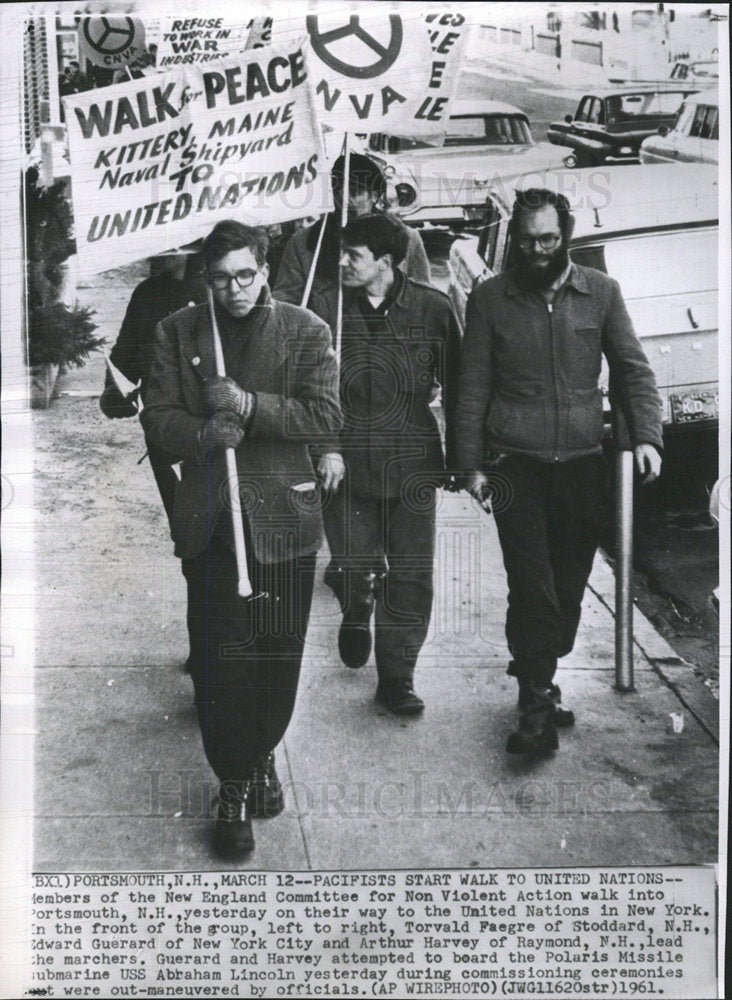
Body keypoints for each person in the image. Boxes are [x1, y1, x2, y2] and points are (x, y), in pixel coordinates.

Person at [140, 222, 341, 857]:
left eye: (246, 275)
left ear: (265, 270)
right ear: (207, 277)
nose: (234, 290)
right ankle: (233, 785)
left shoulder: (307, 330)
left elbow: (328, 416)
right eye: (221, 278)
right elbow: (158, 416)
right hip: (214, 527)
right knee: (223, 661)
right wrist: (204, 436)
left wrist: (252, 407)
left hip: (285, 524)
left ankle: (260, 754)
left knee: (277, 661)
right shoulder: (179, 331)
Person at [454, 187, 663, 755]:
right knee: (533, 588)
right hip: (513, 465)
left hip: (581, 467)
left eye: (548, 238)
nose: (539, 249)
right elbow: (471, 385)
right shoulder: (491, 299)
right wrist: (468, 464)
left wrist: (646, 437)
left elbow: (633, 370)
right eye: (527, 240)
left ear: (564, 235)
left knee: (567, 591)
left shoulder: (601, 294)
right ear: (515, 241)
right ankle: (535, 709)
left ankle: (540, 676)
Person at [308, 214, 460, 714]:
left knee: (412, 574)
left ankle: (397, 677)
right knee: (351, 562)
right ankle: (357, 605)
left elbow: (461, 386)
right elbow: (310, 386)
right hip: (344, 460)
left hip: (412, 460)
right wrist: (326, 444)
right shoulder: (324, 308)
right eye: (342, 251)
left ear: (387, 263)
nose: (343, 261)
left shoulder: (433, 309)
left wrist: (462, 457)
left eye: (355, 255)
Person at [99, 253, 205, 523]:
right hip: (163, 432)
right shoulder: (148, 292)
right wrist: (115, 391)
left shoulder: (219, 289)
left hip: (210, 431)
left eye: (167, 249)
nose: (155, 256)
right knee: (184, 527)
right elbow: (125, 352)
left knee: (223, 534)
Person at [273, 151, 430, 309]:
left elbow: (422, 299)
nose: (345, 200)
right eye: (338, 191)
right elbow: (284, 301)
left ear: (374, 196)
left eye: (355, 192)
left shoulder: (407, 239)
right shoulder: (305, 242)